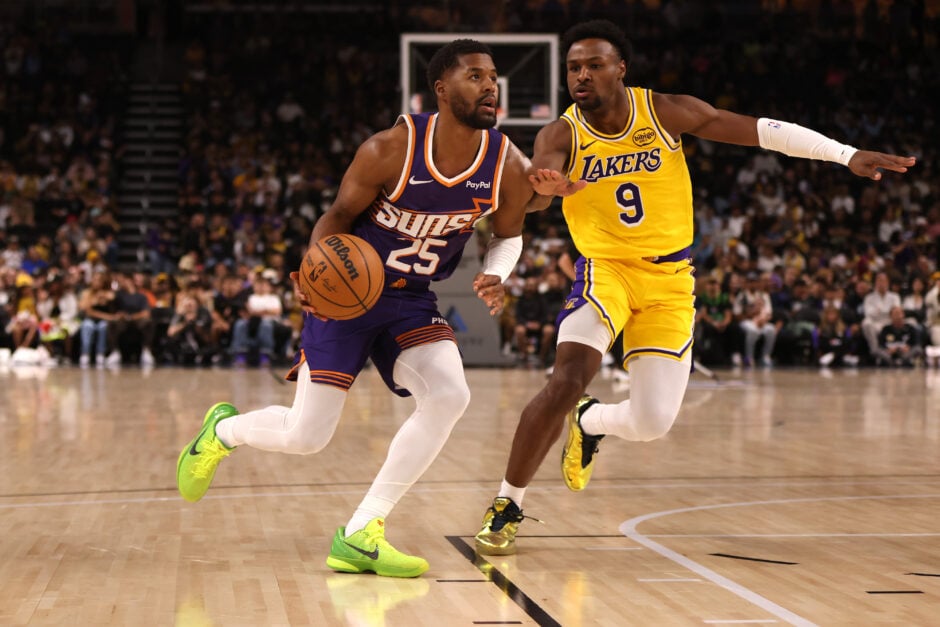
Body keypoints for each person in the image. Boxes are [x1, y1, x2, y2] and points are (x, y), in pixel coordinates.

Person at [474, 19, 916, 556]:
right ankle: (508, 502)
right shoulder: (561, 134)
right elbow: (540, 191)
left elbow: (761, 130)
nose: (581, 76)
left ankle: (592, 421)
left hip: (670, 279)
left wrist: (845, 155)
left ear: (621, 69)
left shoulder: (663, 111)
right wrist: (548, 188)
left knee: (653, 422)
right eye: (573, 68)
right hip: (605, 271)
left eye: (593, 65)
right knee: (567, 377)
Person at [176, 39, 535, 578]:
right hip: (348, 294)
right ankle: (221, 433)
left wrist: (496, 273)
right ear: (441, 88)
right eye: (475, 76)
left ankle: (361, 531)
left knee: (450, 395)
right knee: (306, 437)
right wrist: (315, 265)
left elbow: (509, 233)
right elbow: (338, 215)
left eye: (493, 77)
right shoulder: (389, 149)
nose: (490, 86)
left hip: (412, 299)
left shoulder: (506, 163)